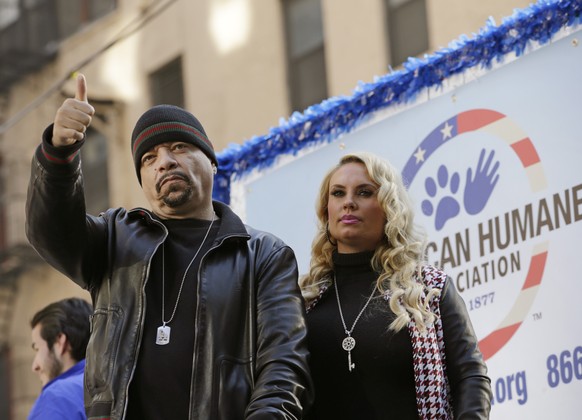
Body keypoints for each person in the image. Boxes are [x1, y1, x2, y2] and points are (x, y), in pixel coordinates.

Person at [25, 74, 312, 419]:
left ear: (211, 161)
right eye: (148, 158)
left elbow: (284, 368)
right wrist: (59, 153)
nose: (164, 161)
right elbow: (51, 232)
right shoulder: (114, 238)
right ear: (143, 180)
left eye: (179, 147)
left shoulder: (264, 255)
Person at [300, 152, 492, 419]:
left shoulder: (429, 289)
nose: (349, 203)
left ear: (389, 207)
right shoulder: (301, 303)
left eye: (364, 192)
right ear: (326, 209)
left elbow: (471, 375)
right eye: (338, 193)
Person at [29, 297, 92, 420]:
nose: (34, 366)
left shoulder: (57, 397)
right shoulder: (117, 385)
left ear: (60, 342)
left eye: (37, 349)